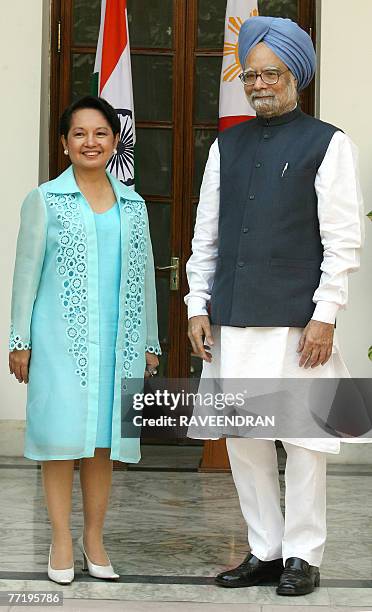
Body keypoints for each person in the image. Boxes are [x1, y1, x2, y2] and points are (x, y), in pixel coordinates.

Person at [185, 17, 364, 597]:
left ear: (297, 76)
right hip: (232, 319)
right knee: (244, 440)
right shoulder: (225, 145)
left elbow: (342, 242)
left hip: (296, 323)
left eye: (273, 73)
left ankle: (303, 556)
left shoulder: (329, 143)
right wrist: (195, 303)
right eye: (252, 74)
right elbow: (204, 236)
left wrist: (325, 315)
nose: (260, 84)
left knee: (305, 439)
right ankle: (263, 549)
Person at [9, 95, 160, 585]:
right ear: (64, 143)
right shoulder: (45, 201)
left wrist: (150, 343)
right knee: (59, 443)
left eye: (100, 133)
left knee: (103, 444)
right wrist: (19, 340)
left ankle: (94, 539)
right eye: (79, 134)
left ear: (114, 141)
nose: (90, 142)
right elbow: (25, 276)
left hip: (119, 342)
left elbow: (142, 279)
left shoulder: (134, 206)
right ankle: (59, 539)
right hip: (59, 344)